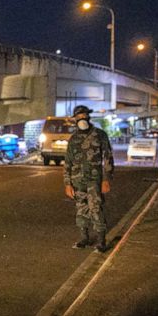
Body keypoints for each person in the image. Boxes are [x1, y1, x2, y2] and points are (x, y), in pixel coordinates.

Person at [64, 105, 114, 253]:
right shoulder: (73, 139)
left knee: (95, 207)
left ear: (89, 117)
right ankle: (84, 238)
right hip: (77, 180)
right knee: (81, 208)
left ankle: (101, 241)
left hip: (95, 180)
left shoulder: (99, 135)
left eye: (84, 116)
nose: (82, 119)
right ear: (75, 120)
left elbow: (108, 157)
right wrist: (67, 184)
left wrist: (106, 179)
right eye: (78, 117)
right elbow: (68, 162)